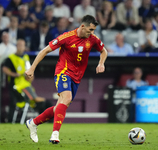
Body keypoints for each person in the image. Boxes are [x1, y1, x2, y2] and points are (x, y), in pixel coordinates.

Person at [25, 15, 107, 144]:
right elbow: (45, 51)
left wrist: (101, 63)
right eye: (90, 30)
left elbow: (104, 51)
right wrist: (32, 68)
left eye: (94, 30)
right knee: (66, 98)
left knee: (60, 106)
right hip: (63, 72)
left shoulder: (92, 39)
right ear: (82, 26)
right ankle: (55, 134)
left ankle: (33, 123)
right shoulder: (67, 37)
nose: (92, 33)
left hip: (77, 77)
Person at [2, 39, 52, 122]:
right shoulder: (11, 58)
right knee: (13, 103)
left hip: (25, 84)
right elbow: (4, 69)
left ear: (24, 47)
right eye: (19, 45)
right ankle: (11, 120)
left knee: (31, 101)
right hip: (16, 85)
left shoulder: (26, 58)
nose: (21, 47)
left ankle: (42, 116)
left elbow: (29, 70)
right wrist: (15, 74)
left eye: (22, 45)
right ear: (16, 46)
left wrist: (30, 76)